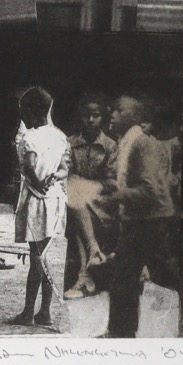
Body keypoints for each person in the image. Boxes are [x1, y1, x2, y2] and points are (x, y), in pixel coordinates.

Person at [105, 93, 177, 339]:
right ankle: (120, 332)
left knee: (147, 276)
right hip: (140, 220)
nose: (111, 114)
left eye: (117, 110)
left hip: (150, 221)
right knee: (124, 279)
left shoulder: (140, 143)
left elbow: (150, 190)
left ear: (133, 117)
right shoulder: (129, 141)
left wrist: (118, 196)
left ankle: (121, 333)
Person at [10, 85, 71, 331]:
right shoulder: (60, 136)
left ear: (31, 112)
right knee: (40, 257)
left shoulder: (30, 137)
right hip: (55, 201)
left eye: (22, 111)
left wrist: (37, 182)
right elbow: (65, 168)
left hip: (38, 202)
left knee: (38, 260)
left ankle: (33, 311)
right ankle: (40, 311)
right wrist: (53, 178)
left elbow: (28, 167)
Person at [64, 93, 117, 298]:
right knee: (73, 191)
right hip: (76, 200)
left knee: (76, 193)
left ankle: (85, 277)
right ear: (80, 117)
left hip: (101, 202)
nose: (91, 120)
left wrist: (85, 185)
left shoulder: (111, 146)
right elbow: (65, 174)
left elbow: (112, 183)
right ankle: (91, 255)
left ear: (102, 117)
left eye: (96, 115)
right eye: (87, 116)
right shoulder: (70, 143)